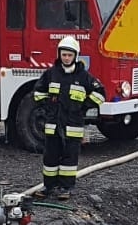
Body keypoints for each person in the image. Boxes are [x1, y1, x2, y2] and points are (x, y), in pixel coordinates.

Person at [33, 36, 105, 196]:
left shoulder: (84, 77)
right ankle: (48, 186)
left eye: (69, 55)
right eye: (64, 54)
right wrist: (48, 107)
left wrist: (83, 106)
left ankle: (66, 188)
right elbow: (38, 93)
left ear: (75, 56)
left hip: (73, 126)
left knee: (69, 159)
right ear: (59, 55)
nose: (66, 58)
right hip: (53, 125)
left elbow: (100, 94)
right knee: (50, 158)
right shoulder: (51, 74)